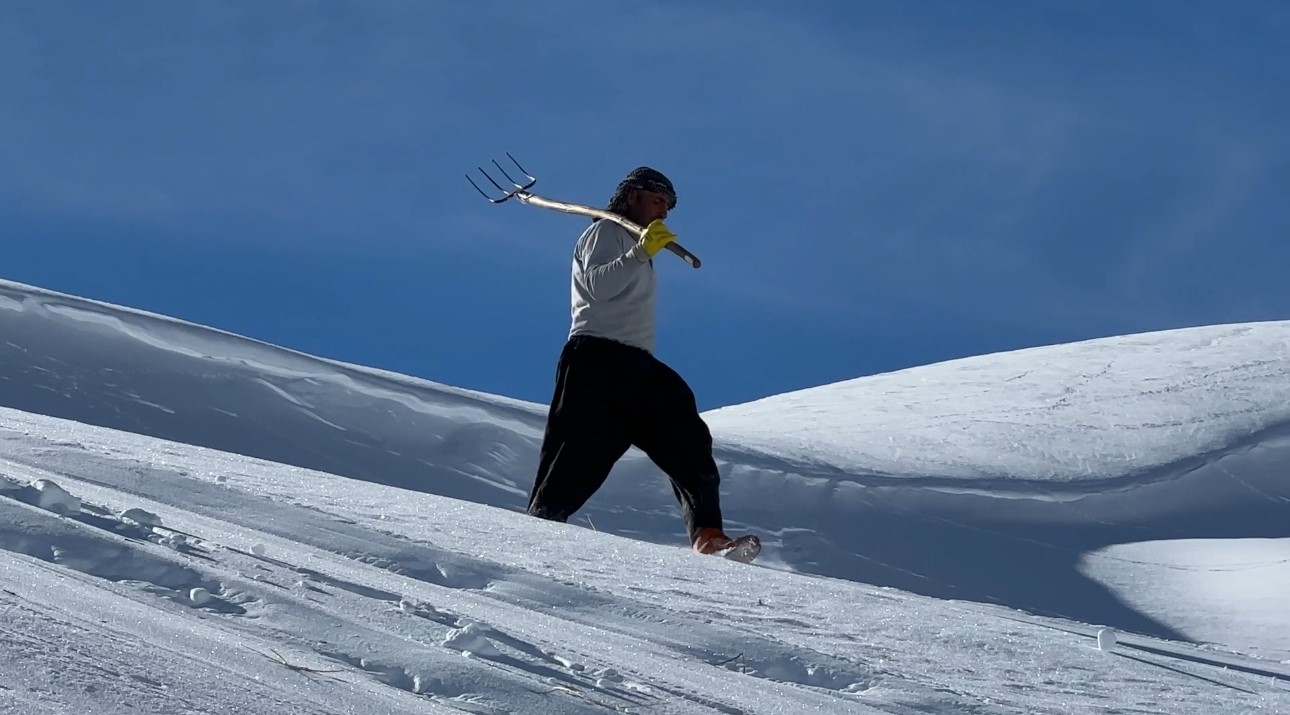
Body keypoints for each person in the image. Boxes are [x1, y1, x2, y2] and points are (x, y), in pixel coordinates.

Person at [526, 166, 759, 561]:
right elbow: (599, 288)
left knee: (687, 435)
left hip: (636, 362)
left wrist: (641, 252)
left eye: (668, 207)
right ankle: (539, 525)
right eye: (658, 202)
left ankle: (708, 534)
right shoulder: (603, 233)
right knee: (579, 451)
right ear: (632, 196)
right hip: (595, 356)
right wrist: (639, 253)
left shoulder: (638, 244)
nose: (664, 214)